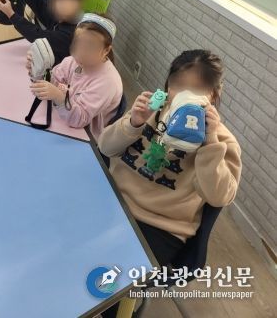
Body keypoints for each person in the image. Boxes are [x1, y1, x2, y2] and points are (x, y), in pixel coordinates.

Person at [98, 50, 241, 317]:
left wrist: (210, 143)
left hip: (160, 226)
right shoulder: (151, 112)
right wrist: (134, 122)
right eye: (178, 86)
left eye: (197, 90)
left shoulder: (222, 140)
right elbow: (105, 147)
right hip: (113, 202)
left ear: (212, 96)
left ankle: (124, 306)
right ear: (167, 87)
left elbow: (220, 196)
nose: (185, 95)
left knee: (105, 287)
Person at [27, 14, 122, 139]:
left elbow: (80, 119)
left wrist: (58, 97)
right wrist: (37, 71)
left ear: (106, 50)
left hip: (86, 136)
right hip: (63, 118)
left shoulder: (107, 82)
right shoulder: (72, 61)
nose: (81, 53)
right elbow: (52, 81)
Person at [0, 0, 83, 65]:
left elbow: (38, 35)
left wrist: (11, 14)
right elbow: (42, 9)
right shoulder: (67, 18)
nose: (53, 4)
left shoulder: (71, 33)